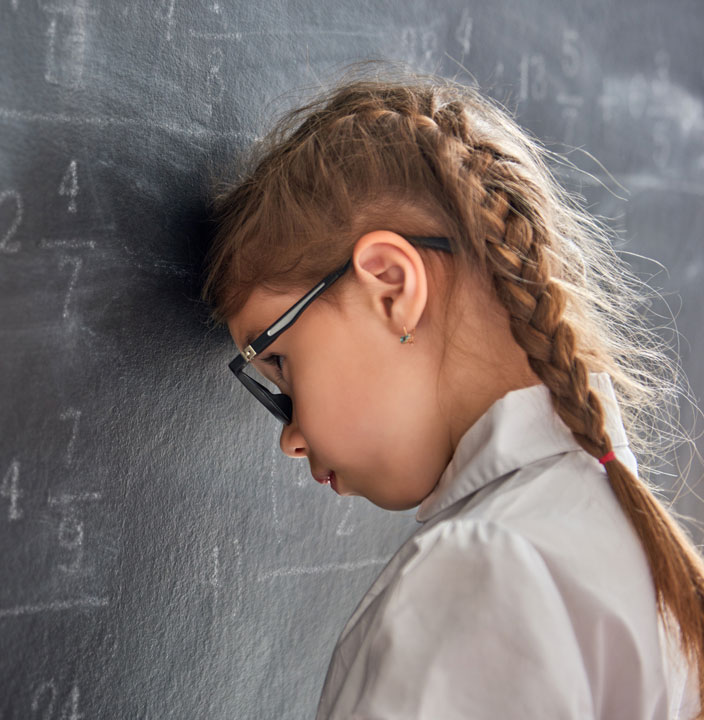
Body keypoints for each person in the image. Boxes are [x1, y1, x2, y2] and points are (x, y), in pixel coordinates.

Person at [200, 66, 704, 718]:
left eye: (282, 365)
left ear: (391, 288)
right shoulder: (618, 545)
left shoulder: (484, 573)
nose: (291, 438)